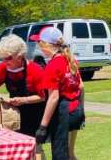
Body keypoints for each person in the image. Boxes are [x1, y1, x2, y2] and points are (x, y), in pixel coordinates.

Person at [34, 27, 85, 160]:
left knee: (60, 154)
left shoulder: (52, 65)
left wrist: (43, 126)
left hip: (64, 113)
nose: (38, 47)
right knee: (69, 153)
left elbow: (53, 97)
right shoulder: (70, 60)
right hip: (76, 110)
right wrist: (82, 111)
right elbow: (81, 86)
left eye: (39, 43)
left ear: (46, 45)